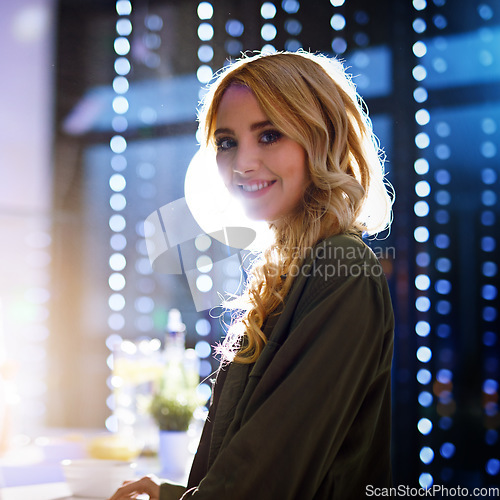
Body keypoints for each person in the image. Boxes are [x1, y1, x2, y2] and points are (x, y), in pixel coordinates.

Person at [109, 49, 394, 500]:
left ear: (320, 139)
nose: (241, 163)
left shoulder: (344, 270)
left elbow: (269, 477)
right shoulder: (290, 270)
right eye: (227, 142)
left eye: (270, 135)